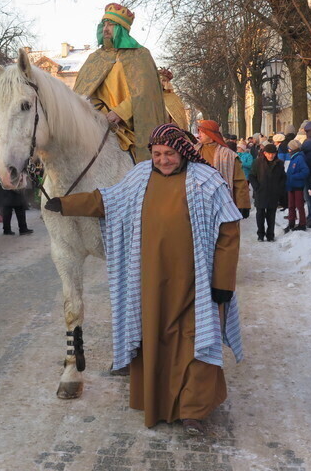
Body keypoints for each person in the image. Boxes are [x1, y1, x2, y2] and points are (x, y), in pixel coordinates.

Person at [44, 123, 242, 435]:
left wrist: (223, 284)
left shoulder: (206, 181)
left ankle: (193, 410)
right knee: (156, 342)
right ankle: (160, 404)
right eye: (157, 153)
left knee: (197, 341)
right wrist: (64, 204)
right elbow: (105, 201)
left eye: (170, 153)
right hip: (150, 282)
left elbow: (229, 233)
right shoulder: (140, 177)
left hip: (196, 283)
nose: (163, 159)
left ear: (183, 152)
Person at [72, 3, 165, 162]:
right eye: (104, 24)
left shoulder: (140, 55)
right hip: (92, 124)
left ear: (122, 28)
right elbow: (79, 93)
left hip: (123, 128)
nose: (106, 28)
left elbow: (146, 93)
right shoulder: (94, 58)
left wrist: (120, 112)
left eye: (112, 24)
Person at [194, 120, 250, 215]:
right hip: (200, 204)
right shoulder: (194, 152)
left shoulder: (228, 155)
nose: (199, 135)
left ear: (210, 134)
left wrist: (243, 204)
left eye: (201, 132)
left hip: (223, 203)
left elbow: (239, 181)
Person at [248, 144, 286, 242]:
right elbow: (252, 176)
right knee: (260, 214)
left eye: (273, 154)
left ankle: (270, 235)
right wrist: (257, 187)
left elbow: (283, 177)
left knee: (271, 215)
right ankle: (260, 234)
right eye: (269, 154)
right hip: (261, 192)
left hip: (273, 193)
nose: (271, 156)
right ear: (264, 153)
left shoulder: (279, 164)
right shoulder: (257, 162)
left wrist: (279, 188)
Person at [284, 140, 309, 232]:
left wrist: (293, 177)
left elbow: (305, 172)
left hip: (297, 185)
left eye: (289, 148)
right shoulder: (293, 157)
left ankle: (302, 223)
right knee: (291, 205)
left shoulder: (299, 158)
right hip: (291, 185)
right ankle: (291, 223)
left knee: (299, 205)